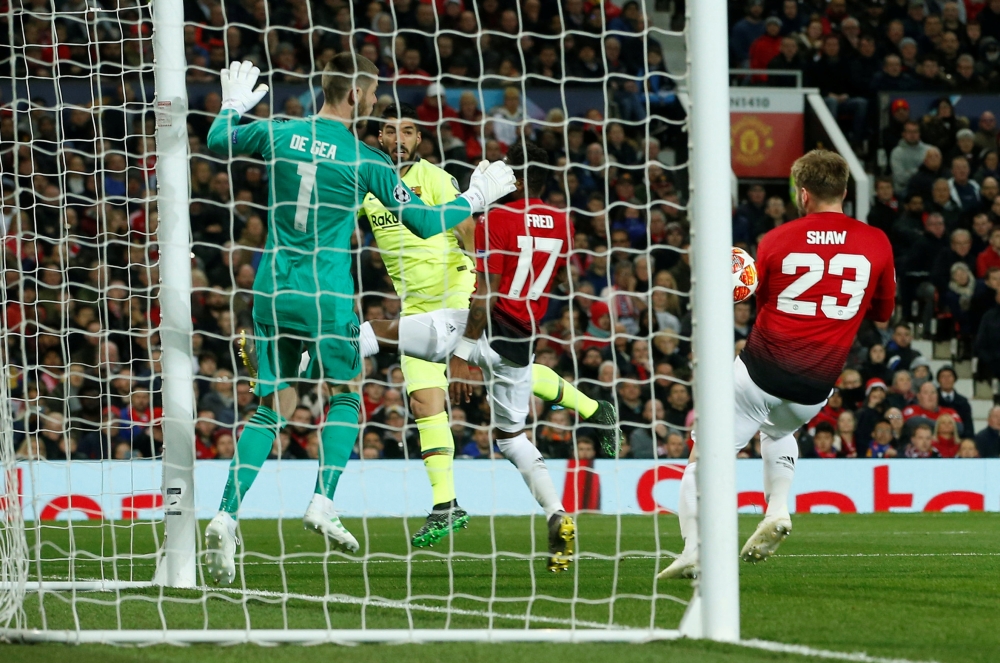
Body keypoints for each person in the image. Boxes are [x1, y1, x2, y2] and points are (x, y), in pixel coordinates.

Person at [201, 57, 516, 586]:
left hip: (270, 290)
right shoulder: (364, 159)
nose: (373, 103)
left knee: (272, 406)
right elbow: (423, 223)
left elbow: (217, 139)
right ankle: (322, 501)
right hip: (326, 296)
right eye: (371, 95)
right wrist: (475, 197)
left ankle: (226, 514)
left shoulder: (280, 131)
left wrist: (232, 105)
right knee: (347, 392)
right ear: (355, 95)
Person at [358, 104, 617, 548]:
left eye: (408, 131)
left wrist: (480, 269)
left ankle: (293, 359)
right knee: (427, 403)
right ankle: (449, 505)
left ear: (420, 138)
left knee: (378, 335)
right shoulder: (368, 188)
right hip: (431, 307)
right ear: (379, 137)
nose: (399, 139)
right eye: (390, 131)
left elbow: (469, 234)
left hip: (461, 296)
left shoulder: (435, 178)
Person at [659, 150, 895, 579]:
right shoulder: (877, 241)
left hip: (759, 372)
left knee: (702, 456)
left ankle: (694, 549)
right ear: (844, 191)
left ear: (802, 194)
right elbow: (882, 313)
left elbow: (759, 301)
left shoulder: (775, 240)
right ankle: (778, 508)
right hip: (816, 386)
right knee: (779, 430)